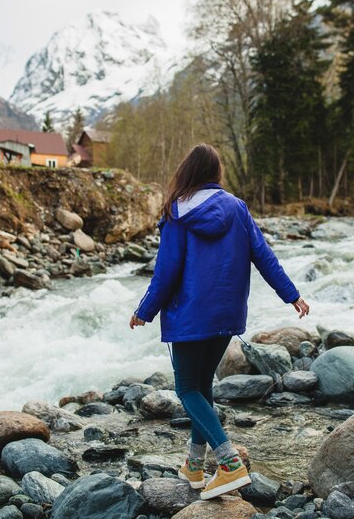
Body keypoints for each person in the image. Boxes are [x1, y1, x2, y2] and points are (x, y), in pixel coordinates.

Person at [130, 143, 309, 500]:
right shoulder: (237, 208)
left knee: (186, 388)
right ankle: (194, 466)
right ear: (215, 174)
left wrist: (145, 309)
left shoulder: (176, 212)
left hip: (190, 313)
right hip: (227, 314)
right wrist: (291, 294)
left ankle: (228, 464)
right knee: (203, 385)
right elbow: (264, 256)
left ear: (187, 172)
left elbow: (166, 272)